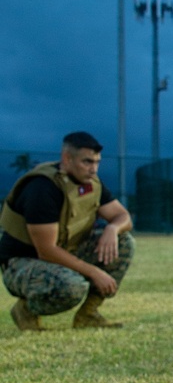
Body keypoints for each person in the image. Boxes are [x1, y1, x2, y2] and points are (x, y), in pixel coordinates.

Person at [1, 132, 134, 331]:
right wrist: (94, 272)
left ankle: (88, 315)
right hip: (22, 262)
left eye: (97, 162)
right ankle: (26, 310)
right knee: (72, 287)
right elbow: (46, 251)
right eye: (87, 162)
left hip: (63, 252)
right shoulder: (43, 188)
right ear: (67, 159)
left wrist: (112, 228)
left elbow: (123, 217)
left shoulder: (91, 182)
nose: (93, 169)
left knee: (125, 242)